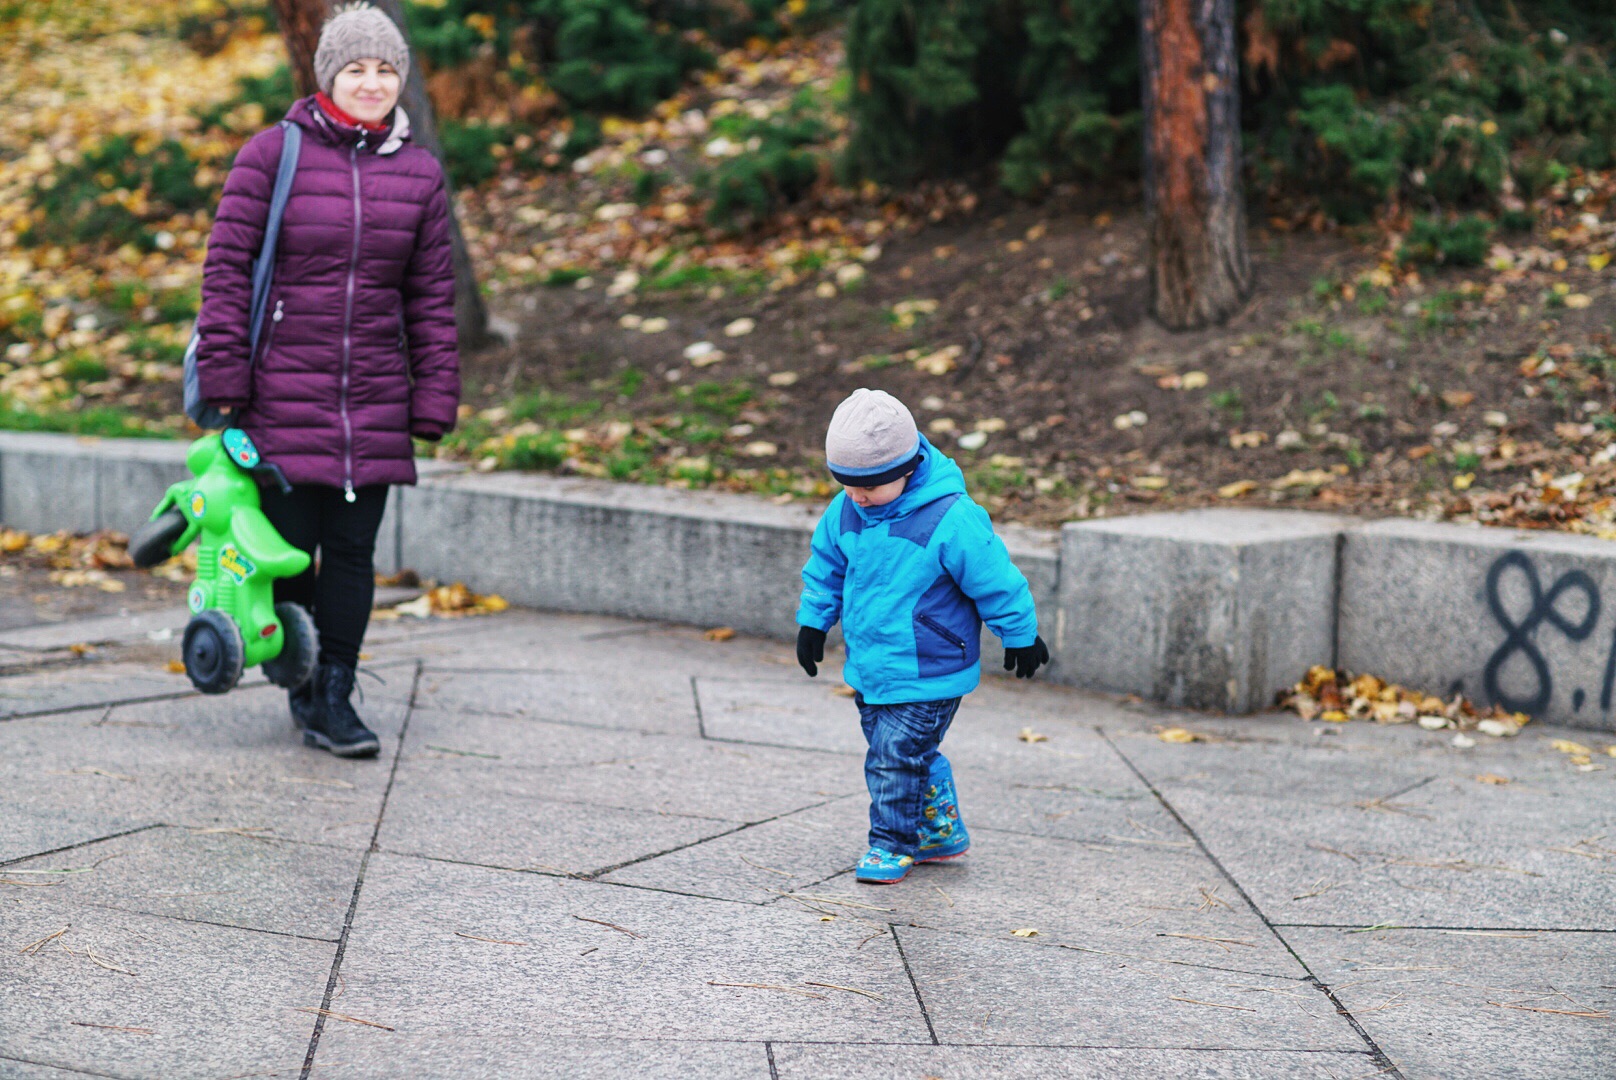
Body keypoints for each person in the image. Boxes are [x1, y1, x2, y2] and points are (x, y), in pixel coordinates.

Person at [194, 2, 459, 757]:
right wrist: (225, 376)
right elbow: (226, 271)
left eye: (385, 70)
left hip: (372, 396)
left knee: (350, 551)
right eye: (356, 69)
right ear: (327, 76)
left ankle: (333, 691)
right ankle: (301, 672)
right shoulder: (270, 155)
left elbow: (431, 297)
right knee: (285, 549)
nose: (371, 83)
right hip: (279, 392)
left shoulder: (419, 174)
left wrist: (434, 395)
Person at [796, 389, 1049, 884]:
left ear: (908, 467)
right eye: (846, 484)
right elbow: (824, 568)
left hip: (930, 666)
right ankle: (940, 832)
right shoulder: (846, 511)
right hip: (873, 664)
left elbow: (996, 580)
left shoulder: (950, 517)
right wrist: (813, 621)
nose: (859, 496)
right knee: (905, 754)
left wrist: (1020, 634)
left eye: (870, 485)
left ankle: (892, 844)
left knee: (893, 757)